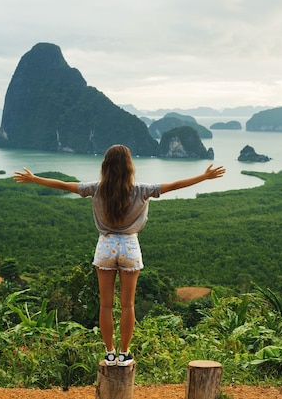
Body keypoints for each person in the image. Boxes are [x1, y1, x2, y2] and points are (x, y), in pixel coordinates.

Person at [13, 144, 225, 366]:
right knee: (128, 305)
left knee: (105, 305)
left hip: (105, 246)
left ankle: (110, 353)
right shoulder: (142, 190)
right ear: (129, 166)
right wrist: (204, 176)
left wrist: (35, 178)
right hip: (130, 247)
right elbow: (174, 185)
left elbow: (65, 185)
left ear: (105, 166)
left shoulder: (96, 188)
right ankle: (124, 354)